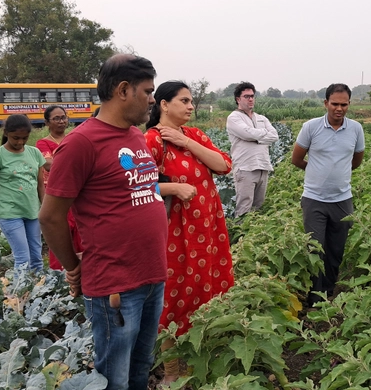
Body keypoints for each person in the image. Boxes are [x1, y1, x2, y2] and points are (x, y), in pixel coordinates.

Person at [39, 54, 167, 390]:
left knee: (141, 368)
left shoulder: (136, 136)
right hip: (116, 285)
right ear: (124, 90)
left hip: (152, 276)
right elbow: (51, 216)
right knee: (115, 380)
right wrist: (73, 266)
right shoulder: (81, 143)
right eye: (148, 91)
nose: (152, 99)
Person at [144, 80, 234, 384]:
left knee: (203, 292)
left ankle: (198, 360)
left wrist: (188, 144)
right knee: (174, 298)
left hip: (206, 229)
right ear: (164, 104)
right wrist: (174, 187)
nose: (190, 106)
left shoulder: (194, 135)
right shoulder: (152, 140)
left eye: (192, 101)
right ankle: (172, 372)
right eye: (184, 101)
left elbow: (223, 165)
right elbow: (134, 185)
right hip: (175, 233)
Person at [291, 83, 365, 306]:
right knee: (315, 248)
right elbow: (296, 159)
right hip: (314, 198)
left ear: (349, 104)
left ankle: (329, 291)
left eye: (344, 104)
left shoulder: (355, 129)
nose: (339, 108)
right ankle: (315, 296)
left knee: (336, 249)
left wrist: (338, 173)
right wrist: (316, 172)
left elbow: (357, 159)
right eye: (335, 104)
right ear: (326, 103)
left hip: (342, 200)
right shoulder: (311, 127)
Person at [0, 114, 45, 273]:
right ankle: (21, 295)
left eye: (25, 138)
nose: (20, 142)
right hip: (10, 214)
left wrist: (45, 212)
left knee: (37, 258)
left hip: (33, 213)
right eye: (16, 138)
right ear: (6, 133)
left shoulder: (35, 153)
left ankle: (41, 294)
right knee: (23, 259)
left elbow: (40, 187)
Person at [35, 105, 83, 270]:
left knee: (81, 236)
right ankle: (60, 276)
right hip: (56, 196)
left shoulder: (73, 138)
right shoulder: (43, 143)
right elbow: (49, 164)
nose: (61, 121)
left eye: (63, 117)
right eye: (56, 118)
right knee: (60, 235)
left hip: (77, 196)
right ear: (47, 122)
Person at [226, 82, 279, 217]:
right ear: (238, 99)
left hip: (263, 166)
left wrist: (255, 137)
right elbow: (246, 133)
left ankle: (254, 236)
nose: (250, 99)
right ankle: (241, 237)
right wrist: (259, 135)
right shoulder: (234, 117)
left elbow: (274, 136)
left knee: (258, 208)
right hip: (245, 168)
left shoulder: (261, 118)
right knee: (244, 208)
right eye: (246, 96)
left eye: (252, 96)